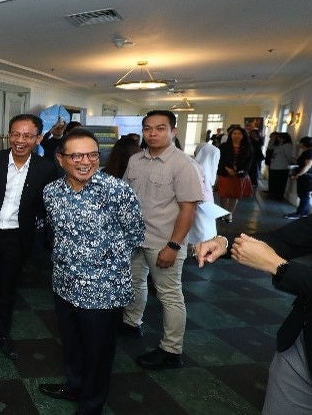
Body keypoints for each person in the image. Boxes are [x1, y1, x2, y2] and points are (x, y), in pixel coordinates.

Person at [39, 129, 144, 414]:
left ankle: (91, 405)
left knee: (98, 352)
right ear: (61, 159)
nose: (85, 162)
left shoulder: (117, 191)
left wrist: (105, 260)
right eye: (77, 156)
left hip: (103, 290)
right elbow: (56, 233)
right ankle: (75, 387)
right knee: (72, 344)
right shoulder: (51, 192)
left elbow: (135, 234)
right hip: (64, 284)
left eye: (92, 155)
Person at [0, 114, 63, 360]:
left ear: (38, 138)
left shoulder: (46, 169)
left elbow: (48, 204)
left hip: (18, 238)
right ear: (9, 135)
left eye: (27, 136)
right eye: (16, 134)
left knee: (7, 288)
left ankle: (2, 332)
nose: (20, 140)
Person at [194, 216, 312, 414]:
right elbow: (285, 240)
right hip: (302, 350)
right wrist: (226, 243)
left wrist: (279, 266)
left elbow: (277, 260)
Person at [121, 110, 204, 369]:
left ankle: (171, 350)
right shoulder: (136, 160)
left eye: (160, 128)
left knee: (169, 295)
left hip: (164, 241)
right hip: (135, 238)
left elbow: (188, 209)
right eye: (147, 128)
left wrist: (174, 246)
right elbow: (125, 197)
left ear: (173, 131)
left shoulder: (183, 164)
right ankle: (131, 323)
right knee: (135, 283)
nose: (152, 133)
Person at [216, 126, 253, 223]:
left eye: (239, 133)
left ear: (243, 135)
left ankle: (229, 213)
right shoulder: (224, 146)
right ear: (231, 135)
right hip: (225, 173)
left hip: (239, 175)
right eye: (234, 133)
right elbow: (220, 159)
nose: (237, 135)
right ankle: (222, 212)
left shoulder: (247, 147)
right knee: (223, 194)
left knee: (234, 195)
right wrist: (228, 168)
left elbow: (249, 162)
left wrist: (239, 171)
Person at [285, 136, 312, 219]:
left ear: (304, 144)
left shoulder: (309, 152)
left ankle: (300, 214)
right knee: (304, 195)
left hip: (306, 178)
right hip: (306, 177)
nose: (299, 144)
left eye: (300, 142)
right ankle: (304, 213)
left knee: (304, 195)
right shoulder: (307, 152)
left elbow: (308, 166)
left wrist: (298, 174)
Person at [268, 133, 295, 200]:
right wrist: (272, 139)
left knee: (280, 183)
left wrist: (292, 163)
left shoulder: (287, 145)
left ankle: (278, 196)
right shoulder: (279, 144)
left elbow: (289, 156)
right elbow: (270, 147)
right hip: (274, 166)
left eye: (280, 137)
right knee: (273, 182)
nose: (278, 138)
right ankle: (272, 194)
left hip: (282, 168)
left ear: (284, 138)